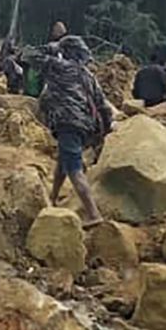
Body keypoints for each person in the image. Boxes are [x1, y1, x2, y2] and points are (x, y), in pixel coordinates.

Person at [40, 35, 112, 226]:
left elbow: (30, 56)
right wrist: (105, 130)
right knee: (63, 162)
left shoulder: (58, 67)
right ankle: (52, 198)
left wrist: (51, 49)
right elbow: (103, 106)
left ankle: (93, 214)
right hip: (84, 126)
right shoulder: (88, 75)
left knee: (74, 170)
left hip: (67, 122)